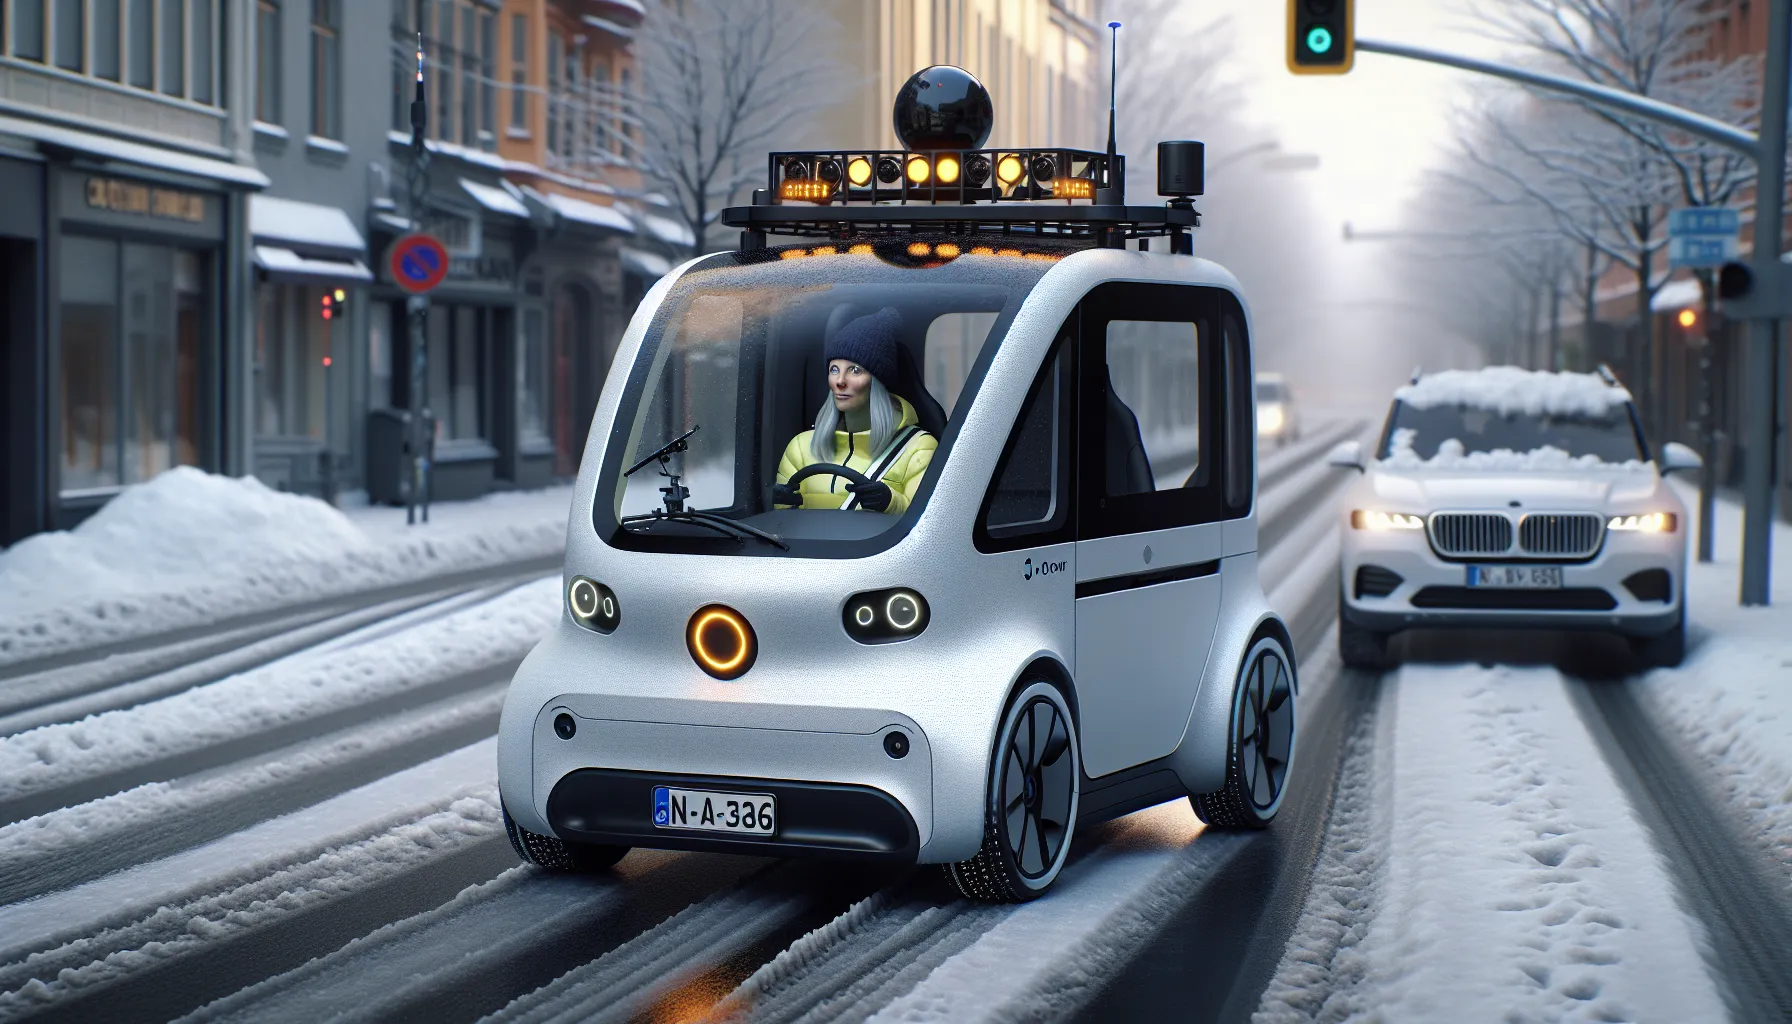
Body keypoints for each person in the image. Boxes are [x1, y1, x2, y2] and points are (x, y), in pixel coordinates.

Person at [772, 307, 938, 514]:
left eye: (855, 370)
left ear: (877, 382)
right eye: (834, 369)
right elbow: (784, 522)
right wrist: (782, 502)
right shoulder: (801, 446)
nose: (840, 381)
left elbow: (926, 521)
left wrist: (890, 502)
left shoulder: (917, 448)